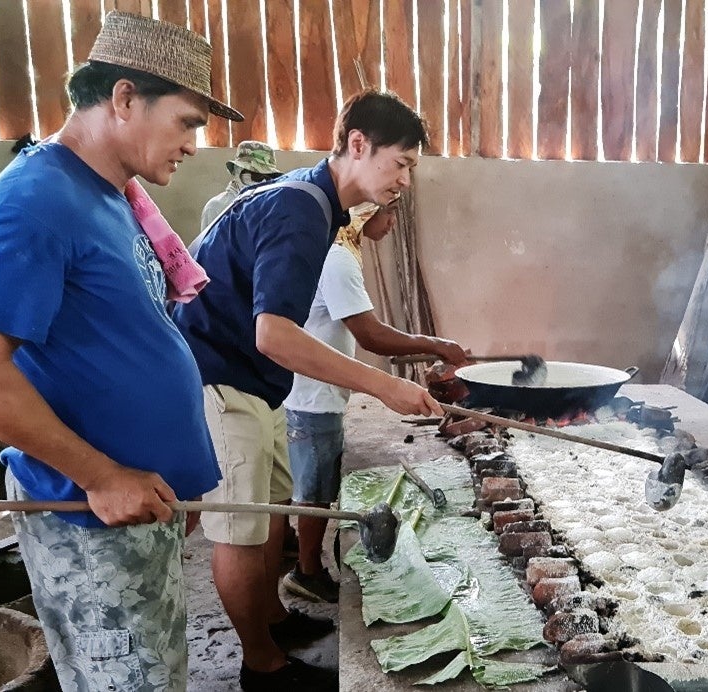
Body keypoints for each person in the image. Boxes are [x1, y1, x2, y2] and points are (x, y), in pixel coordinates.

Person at [0, 11, 241, 691]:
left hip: (130, 510)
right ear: (125, 97)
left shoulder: (107, 194)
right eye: (187, 122)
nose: (191, 145)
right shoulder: (33, 202)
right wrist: (99, 475)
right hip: (89, 520)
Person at [171, 89, 444, 691]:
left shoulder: (319, 206)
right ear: (357, 145)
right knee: (240, 529)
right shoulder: (300, 208)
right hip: (220, 377)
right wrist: (382, 386)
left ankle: (272, 619)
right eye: (400, 163)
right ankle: (261, 666)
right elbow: (273, 334)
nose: (404, 179)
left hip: (254, 384)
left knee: (270, 515)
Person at [282, 200, 468, 603]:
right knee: (313, 491)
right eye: (388, 213)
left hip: (318, 391)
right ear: (365, 214)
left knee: (318, 484)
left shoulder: (340, 251)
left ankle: (305, 560)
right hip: (312, 395)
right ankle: (306, 571)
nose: (392, 222)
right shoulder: (337, 260)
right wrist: (434, 344)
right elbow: (370, 336)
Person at [200, 140, 282, 231]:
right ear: (236, 171)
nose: (262, 182)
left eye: (268, 177)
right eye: (253, 176)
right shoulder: (216, 208)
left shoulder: (274, 209)